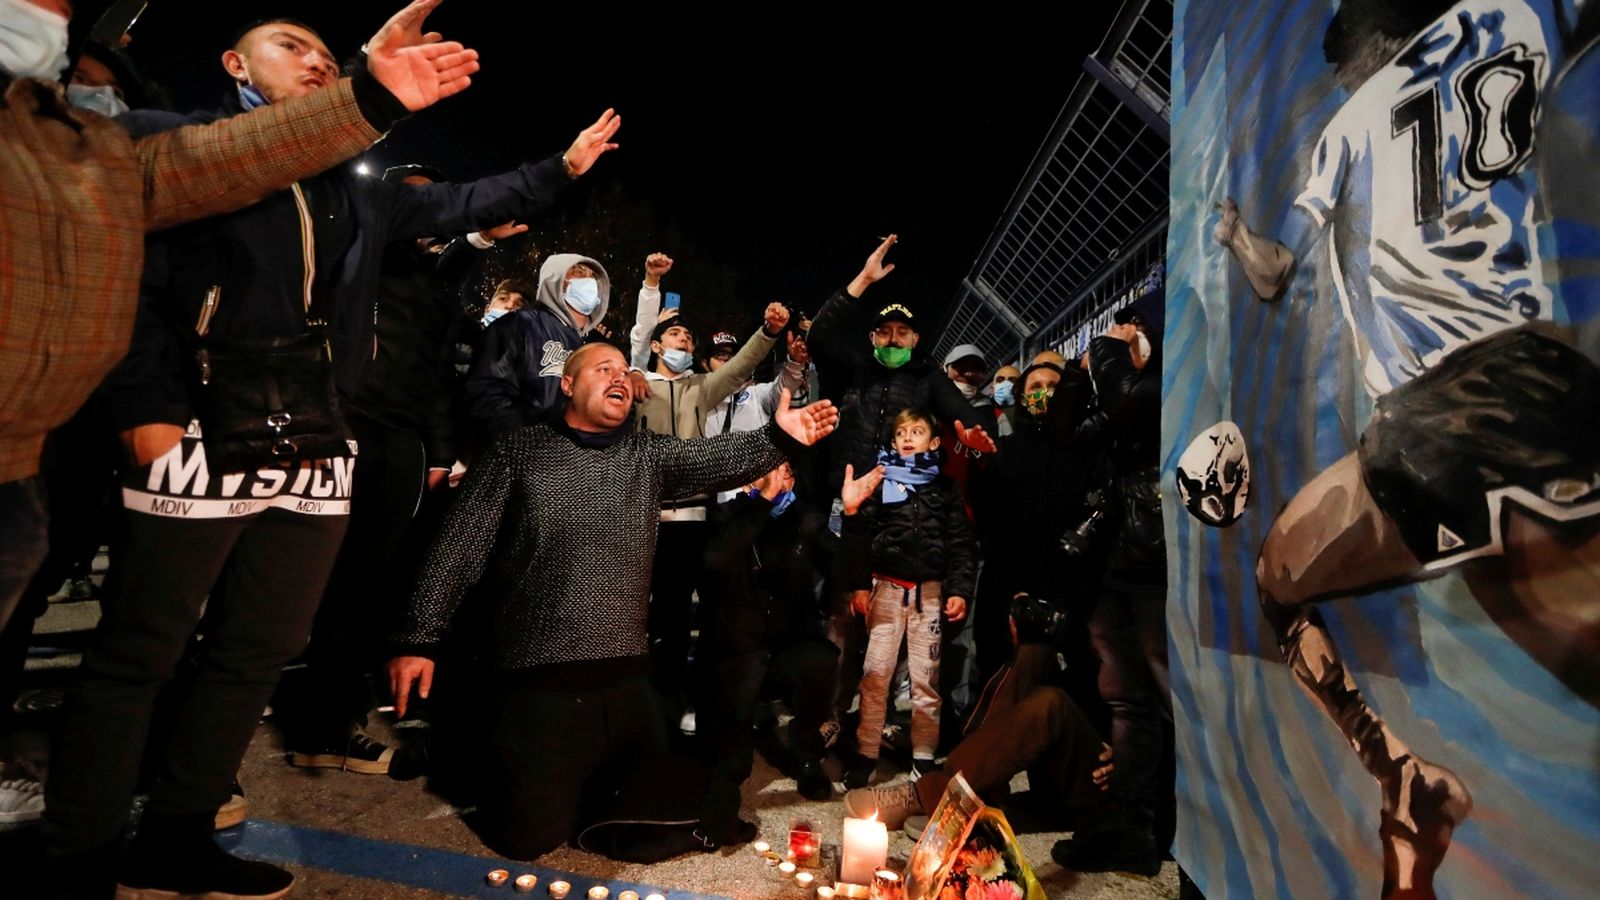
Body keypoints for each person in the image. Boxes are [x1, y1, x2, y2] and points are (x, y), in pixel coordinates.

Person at [1213, 2, 1600, 896]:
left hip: (1436, 416)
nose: (1343, 80)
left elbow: (1274, 272)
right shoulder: (1512, 13)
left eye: (1343, 64)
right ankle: (1404, 787)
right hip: (1541, 373)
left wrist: (1233, 236)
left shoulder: (1350, 121)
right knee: (1289, 568)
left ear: (1364, 49)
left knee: (1279, 579)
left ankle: (1400, 785)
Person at [0, 0, 478, 638]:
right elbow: (150, 285)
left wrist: (368, 98)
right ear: (235, 64)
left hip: (21, 465)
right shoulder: (130, 134)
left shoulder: (80, 153)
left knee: (254, 642)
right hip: (183, 424)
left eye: (56, 8)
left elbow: (222, 160)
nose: (49, 15)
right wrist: (145, 407)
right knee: (144, 645)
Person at [386, 342, 840, 860]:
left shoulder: (645, 455)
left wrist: (780, 439)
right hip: (540, 678)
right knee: (529, 840)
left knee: (653, 810)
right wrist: (418, 635)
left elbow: (716, 457)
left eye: (624, 370)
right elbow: (458, 545)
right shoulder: (519, 452)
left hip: (625, 678)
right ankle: (463, 748)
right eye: (602, 368)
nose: (619, 376)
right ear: (567, 385)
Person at [843, 596, 1118, 860]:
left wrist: (1126, 757)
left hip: (1108, 781)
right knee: (1035, 654)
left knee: (1052, 704)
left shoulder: (1144, 612)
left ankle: (932, 793)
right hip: (1085, 741)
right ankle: (972, 793)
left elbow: (1148, 719)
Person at [1053, 309, 1168, 876]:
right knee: (1126, 697)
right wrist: (1077, 374)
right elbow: (1066, 431)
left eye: (1134, 331)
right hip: (1120, 557)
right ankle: (1129, 826)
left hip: (1161, 559)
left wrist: (1105, 347)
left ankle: (1181, 826)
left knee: (1173, 698)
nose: (1124, 338)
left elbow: (1130, 399)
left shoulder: (1171, 378)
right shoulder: (1122, 390)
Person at [839, 409, 978, 787]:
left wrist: (960, 591)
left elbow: (961, 545)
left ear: (934, 442)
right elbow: (860, 537)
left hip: (930, 593)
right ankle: (867, 752)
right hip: (886, 588)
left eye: (917, 431)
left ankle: (924, 757)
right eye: (901, 432)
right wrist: (859, 585)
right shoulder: (880, 482)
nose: (907, 437)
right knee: (875, 673)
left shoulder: (946, 489)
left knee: (926, 678)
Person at [699, 461, 839, 801]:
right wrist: (761, 501)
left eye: (788, 473)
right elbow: (715, 558)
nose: (780, 480)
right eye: (771, 473)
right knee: (729, 766)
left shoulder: (804, 517)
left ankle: (806, 753)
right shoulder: (727, 514)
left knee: (820, 660)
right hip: (737, 647)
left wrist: (854, 514)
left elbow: (845, 567)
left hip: (786, 643)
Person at [464, 254, 614, 439]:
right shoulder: (518, 324)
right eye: (579, 271)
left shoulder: (597, 345)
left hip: (577, 460)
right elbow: (488, 391)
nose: (588, 279)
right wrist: (523, 444)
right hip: (522, 456)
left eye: (592, 275)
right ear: (556, 280)